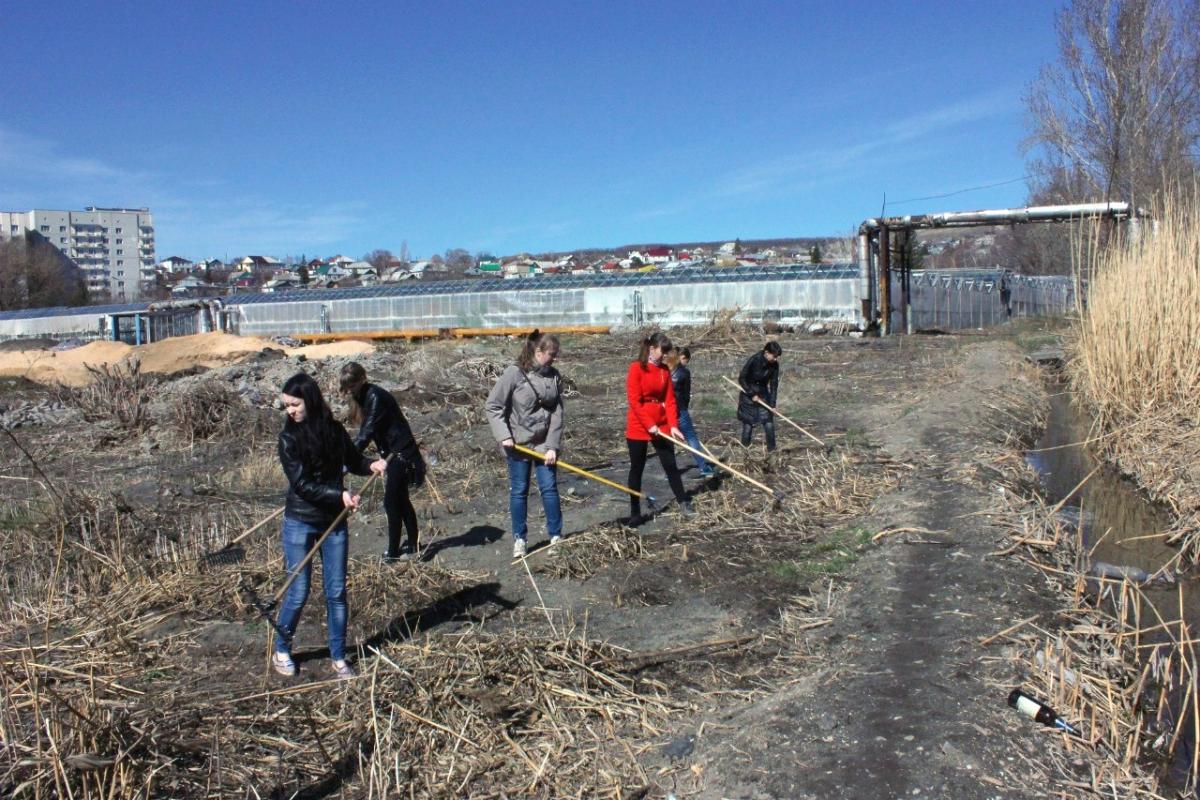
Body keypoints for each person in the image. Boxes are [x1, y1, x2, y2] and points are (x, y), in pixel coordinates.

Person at [273, 372, 387, 679]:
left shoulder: (333, 430)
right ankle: (281, 648)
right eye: (286, 406)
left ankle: (338, 657)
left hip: (334, 524)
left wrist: (370, 464)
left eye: (295, 404)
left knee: (336, 592)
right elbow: (302, 485)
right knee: (298, 591)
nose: (291, 411)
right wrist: (340, 495)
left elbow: (353, 459)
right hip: (300, 522)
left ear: (309, 400)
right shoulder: (288, 439)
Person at [485, 330, 564, 559]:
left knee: (549, 488)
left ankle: (556, 536)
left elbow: (558, 413)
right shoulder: (515, 374)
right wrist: (504, 436)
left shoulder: (554, 376)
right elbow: (493, 405)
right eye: (551, 354)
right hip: (518, 445)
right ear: (538, 351)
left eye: (556, 354)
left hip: (543, 445)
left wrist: (552, 446)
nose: (554, 359)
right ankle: (520, 539)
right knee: (519, 491)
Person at [339, 362, 426, 562]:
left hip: (400, 453)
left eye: (352, 385)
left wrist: (348, 462)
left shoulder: (376, 397)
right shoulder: (362, 397)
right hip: (390, 452)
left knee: (391, 502)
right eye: (347, 386)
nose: (349, 390)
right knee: (401, 500)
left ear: (362, 379)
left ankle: (393, 551)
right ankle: (413, 543)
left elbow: (366, 433)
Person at [625, 332, 692, 521]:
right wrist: (649, 424)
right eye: (662, 352)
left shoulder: (664, 371)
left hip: (661, 424)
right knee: (637, 468)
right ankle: (635, 511)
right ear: (652, 349)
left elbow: (670, 401)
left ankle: (683, 502)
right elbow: (634, 401)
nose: (664, 356)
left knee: (670, 464)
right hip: (639, 425)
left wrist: (672, 426)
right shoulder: (636, 368)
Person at [669, 347, 714, 478]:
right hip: (679, 409)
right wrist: (684, 408)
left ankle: (670, 472)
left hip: (666, 410)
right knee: (691, 437)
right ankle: (704, 467)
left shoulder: (663, 370)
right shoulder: (684, 372)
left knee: (668, 442)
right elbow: (686, 394)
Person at [737, 341, 782, 451]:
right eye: (774, 356)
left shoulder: (774, 365)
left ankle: (772, 452)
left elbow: (774, 385)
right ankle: (744, 452)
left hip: (763, 395)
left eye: (777, 357)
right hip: (748, 396)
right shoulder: (754, 359)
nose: (776, 359)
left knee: (769, 423)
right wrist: (751, 393)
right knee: (748, 425)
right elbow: (742, 378)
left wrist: (772, 404)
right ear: (766, 352)